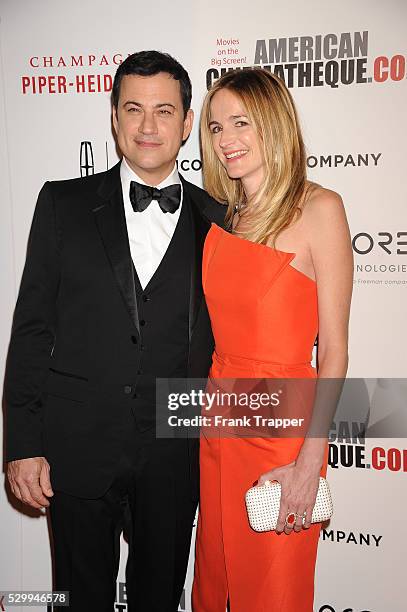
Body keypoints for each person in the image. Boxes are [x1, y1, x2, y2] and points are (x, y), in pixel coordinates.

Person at [5, 50, 223, 612]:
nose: (148, 126)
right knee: (79, 600)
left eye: (164, 110)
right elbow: (31, 329)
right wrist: (23, 444)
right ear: (113, 117)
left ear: (187, 121)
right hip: (77, 444)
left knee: (159, 598)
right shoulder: (62, 204)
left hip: (176, 452)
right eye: (133, 109)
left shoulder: (221, 220)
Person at [192, 68, 353, 611]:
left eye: (241, 123)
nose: (226, 139)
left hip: (281, 430)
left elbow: (333, 349)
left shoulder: (319, 209)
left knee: (273, 592)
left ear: (273, 122)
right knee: (214, 586)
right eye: (215, 127)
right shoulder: (223, 215)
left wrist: (312, 460)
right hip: (219, 420)